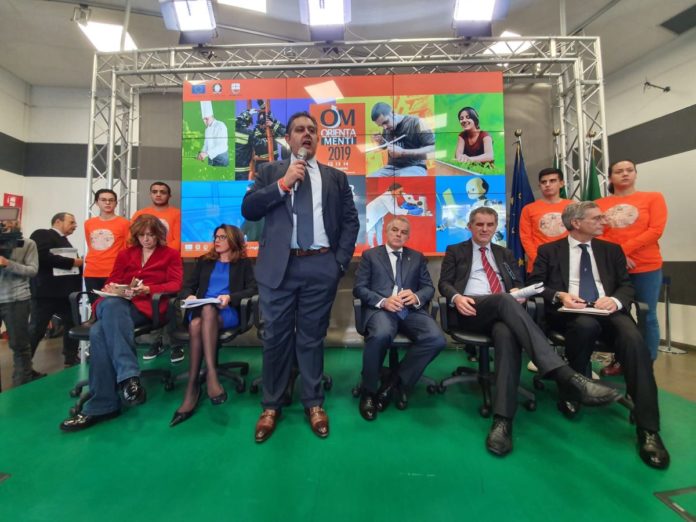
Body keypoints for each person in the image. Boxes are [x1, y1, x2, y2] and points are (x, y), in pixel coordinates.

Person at [438, 206, 620, 457]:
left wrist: (519, 292)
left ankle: (503, 421)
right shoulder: (455, 250)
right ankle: (566, 375)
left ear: (496, 227)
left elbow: (517, 283)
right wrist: (457, 297)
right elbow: (444, 283)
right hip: (471, 310)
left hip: (504, 312)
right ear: (470, 226)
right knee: (503, 300)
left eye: (490, 225)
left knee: (506, 332)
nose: (485, 229)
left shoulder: (505, 253)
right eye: (479, 224)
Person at [241, 111, 359, 443]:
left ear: (318, 137)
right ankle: (271, 405)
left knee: (311, 338)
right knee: (275, 338)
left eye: (311, 130)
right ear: (288, 138)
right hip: (278, 268)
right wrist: (282, 185)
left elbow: (350, 222)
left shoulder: (335, 178)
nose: (306, 134)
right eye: (299, 130)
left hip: (320, 267)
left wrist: (337, 263)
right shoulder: (270, 171)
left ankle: (313, 402)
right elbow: (249, 209)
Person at [528, 201, 669, 469]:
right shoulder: (549, 251)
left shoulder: (611, 250)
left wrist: (614, 300)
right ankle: (572, 389)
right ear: (576, 223)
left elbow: (626, 286)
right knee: (585, 326)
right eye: (596, 218)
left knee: (633, 340)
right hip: (571, 312)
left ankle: (648, 428)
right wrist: (560, 296)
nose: (603, 221)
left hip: (610, 311)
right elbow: (535, 285)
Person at [60, 214, 182, 432]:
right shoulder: (126, 254)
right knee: (111, 308)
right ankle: (129, 378)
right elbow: (112, 280)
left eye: (150, 235)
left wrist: (148, 289)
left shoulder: (170, 254)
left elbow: (175, 284)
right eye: (142, 235)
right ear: (136, 235)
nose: (146, 239)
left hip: (146, 308)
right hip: (118, 304)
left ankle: (103, 405)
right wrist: (113, 288)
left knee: (99, 331)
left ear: (158, 235)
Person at [353, 217, 445, 421]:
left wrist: (417, 296)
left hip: (410, 311)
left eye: (404, 232)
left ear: (408, 236)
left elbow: (428, 287)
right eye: (395, 230)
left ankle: (393, 383)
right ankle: (369, 392)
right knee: (381, 334)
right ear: (386, 232)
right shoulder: (370, 255)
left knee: (436, 339)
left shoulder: (417, 257)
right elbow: (359, 288)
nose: (398, 234)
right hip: (382, 310)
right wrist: (383, 301)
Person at [171, 224, 257, 427]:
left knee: (204, 316)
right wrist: (189, 295)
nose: (217, 240)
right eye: (216, 237)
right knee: (198, 319)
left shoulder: (243, 263)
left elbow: (253, 289)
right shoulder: (205, 261)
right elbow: (187, 286)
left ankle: (193, 387)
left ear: (233, 240)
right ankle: (208, 376)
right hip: (201, 309)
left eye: (222, 237)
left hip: (227, 311)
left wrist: (230, 297)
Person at [597, 159, 667, 364]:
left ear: (636, 174)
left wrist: (623, 251)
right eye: (619, 171)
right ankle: (622, 360)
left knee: (647, 314)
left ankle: (646, 363)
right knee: (618, 315)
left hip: (646, 267)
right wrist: (619, 257)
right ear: (610, 177)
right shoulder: (599, 204)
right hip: (613, 268)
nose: (625, 174)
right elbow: (597, 233)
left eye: (629, 170)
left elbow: (655, 230)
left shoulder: (653, 198)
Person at [132, 181, 182, 362]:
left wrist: (161, 255)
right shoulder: (140, 214)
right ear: (150, 194)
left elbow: (176, 240)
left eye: (162, 192)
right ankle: (156, 342)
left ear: (169, 195)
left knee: (171, 303)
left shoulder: (176, 214)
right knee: (149, 303)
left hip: (169, 264)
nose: (158, 194)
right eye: (155, 191)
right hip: (146, 266)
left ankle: (176, 344)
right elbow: (133, 240)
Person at [29, 212, 83, 367]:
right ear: (58, 222)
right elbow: (41, 256)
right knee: (37, 328)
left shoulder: (65, 241)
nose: (75, 226)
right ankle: (24, 365)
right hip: (46, 293)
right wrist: (72, 262)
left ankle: (71, 357)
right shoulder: (42, 234)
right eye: (71, 222)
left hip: (66, 294)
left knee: (72, 323)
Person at [0, 219, 39, 385]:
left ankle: (21, 387)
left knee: (20, 346)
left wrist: (8, 263)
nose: (5, 225)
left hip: (16, 299)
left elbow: (32, 270)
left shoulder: (27, 244)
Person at [519, 167, 571, 273]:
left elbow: (579, 234)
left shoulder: (573, 206)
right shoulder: (528, 209)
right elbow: (526, 238)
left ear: (561, 183)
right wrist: (538, 260)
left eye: (552, 181)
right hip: (539, 264)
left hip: (569, 261)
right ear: (539, 186)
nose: (547, 184)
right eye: (543, 182)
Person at [83, 189, 130, 296]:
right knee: (94, 303)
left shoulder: (125, 223)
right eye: (103, 200)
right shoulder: (89, 223)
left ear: (116, 203)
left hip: (115, 271)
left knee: (114, 303)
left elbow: (128, 247)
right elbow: (91, 245)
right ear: (96, 202)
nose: (107, 203)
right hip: (92, 271)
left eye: (111, 200)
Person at [369, 102, 435, 177]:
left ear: (393, 113)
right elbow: (386, 146)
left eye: (386, 122)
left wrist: (402, 152)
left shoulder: (417, 122)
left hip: (414, 166)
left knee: (404, 180)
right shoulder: (387, 127)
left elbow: (433, 150)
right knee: (369, 180)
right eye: (381, 125)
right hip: (391, 168)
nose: (384, 127)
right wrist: (381, 141)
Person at [365, 183, 410, 248]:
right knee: (370, 231)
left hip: (378, 216)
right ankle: (371, 247)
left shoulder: (393, 196)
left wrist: (404, 208)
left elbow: (396, 208)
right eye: (400, 191)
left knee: (379, 231)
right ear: (393, 190)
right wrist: (408, 211)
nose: (401, 193)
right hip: (370, 214)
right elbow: (393, 210)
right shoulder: (386, 197)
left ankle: (380, 247)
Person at [196, 100, 229, 167]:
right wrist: (201, 153)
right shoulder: (207, 129)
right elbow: (206, 144)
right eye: (203, 119)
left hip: (221, 158)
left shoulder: (220, 125)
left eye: (207, 119)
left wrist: (206, 153)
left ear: (212, 116)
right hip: (210, 158)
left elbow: (222, 146)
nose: (205, 122)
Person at [234, 111, 256, 181]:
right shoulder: (248, 133)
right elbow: (259, 146)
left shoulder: (230, 130)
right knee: (241, 187)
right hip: (242, 171)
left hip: (230, 169)